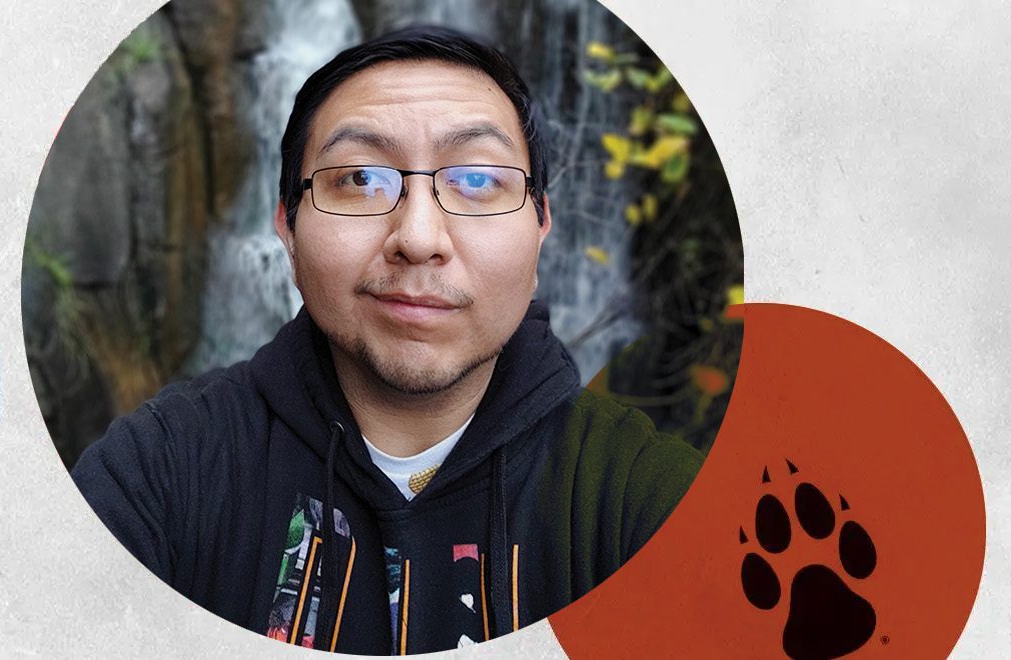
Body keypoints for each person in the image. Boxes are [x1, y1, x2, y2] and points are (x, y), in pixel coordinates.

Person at [70, 25, 702, 654]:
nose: (419, 237)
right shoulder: (159, 474)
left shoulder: (642, 502)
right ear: (287, 226)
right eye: (362, 179)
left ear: (541, 226)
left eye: (478, 181)